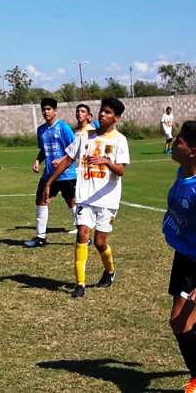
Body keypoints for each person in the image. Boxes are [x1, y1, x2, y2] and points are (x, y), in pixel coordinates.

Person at [43, 98, 130, 298]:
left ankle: (110, 271)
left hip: (107, 200)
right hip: (84, 198)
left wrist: (106, 161)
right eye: (102, 111)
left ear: (116, 118)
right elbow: (67, 159)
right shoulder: (85, 137)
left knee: (100, 242)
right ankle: (80, 284)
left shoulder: (119, 140)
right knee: (82, 235)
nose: (102, 114)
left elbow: (121, 170)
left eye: (108, 112)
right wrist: (49, 182)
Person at [163, 121, 196, 392]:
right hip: (184, 256)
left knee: (180, 321)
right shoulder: (181, 171)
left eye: (179, 142)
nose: (174, 144)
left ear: (193, 151)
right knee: (179, 322)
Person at [24, 98, 77, 248]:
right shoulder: (41, 130)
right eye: (44, 109)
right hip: (49, 174)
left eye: (49, 109)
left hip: (66, 174)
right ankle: (40, 237)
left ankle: (83, 236)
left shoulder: (64, 128)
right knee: (41, 200)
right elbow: (43, 150)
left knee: (71, 202)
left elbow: (74, 150)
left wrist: (61, 160)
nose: (46, 112)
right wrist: (37, 160)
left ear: (55, 111)